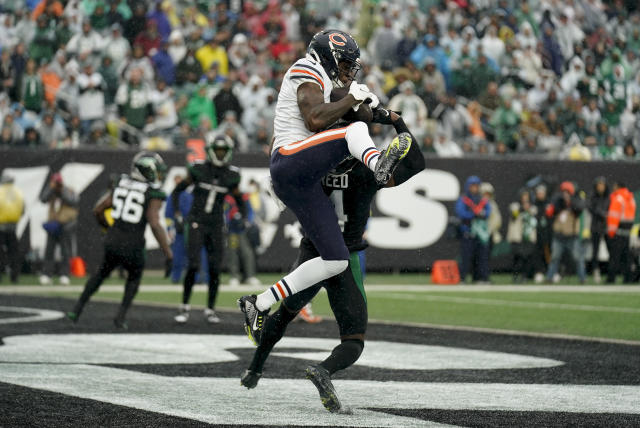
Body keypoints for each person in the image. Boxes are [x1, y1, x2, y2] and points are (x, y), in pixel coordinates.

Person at [240, 110, 425, 413]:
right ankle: (324, 369)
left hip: (313, 251)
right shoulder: (368, 171)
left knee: (284, 316)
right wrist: (396, 121)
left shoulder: (312, 168)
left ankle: (255, 368)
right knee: (354, 340)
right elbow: (417, 163)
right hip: (346, 255)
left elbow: (282, 160)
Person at [238, 29, 411, 345]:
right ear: (327, 56)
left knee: (336, 259)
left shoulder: (329, 81)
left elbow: (356, 110)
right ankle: (379, 165)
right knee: (353, 132)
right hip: (290, 160)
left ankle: (259, 302)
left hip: (302, 179)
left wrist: (374, 107)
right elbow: (316, 119)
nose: (347, 70)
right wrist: (353, 98)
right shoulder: (306, 69)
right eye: (344, 63)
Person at [67, 152, 172, 329]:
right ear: (146, 170)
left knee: (100, 275)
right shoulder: (153, 192)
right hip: (133, 242)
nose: (158, 175)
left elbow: (98, 211)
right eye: (155, 171)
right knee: (133, 278)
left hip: (113, 239)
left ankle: (77, 309)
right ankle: (120, 317)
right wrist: (168, 253)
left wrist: (107, 229)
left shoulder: (120, 183)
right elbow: (154, 223)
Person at [171, 134, 240, 324]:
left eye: (223, 151)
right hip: (196, 221)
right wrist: (177, 214)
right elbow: (177, 191)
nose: (220, 154)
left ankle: (210, 309)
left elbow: (239, 198)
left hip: (216, 224)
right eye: (217, 150)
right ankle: (184, 306)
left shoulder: (232, 175)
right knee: (193, 265)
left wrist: (240, 216)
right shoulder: (198, 169)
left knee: (215, 268)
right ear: (210, 151)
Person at [39, 172, 78, 286]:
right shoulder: (51, 192)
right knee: (49, 251)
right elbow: (42, 199)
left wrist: (61, 191)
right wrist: (51, 189)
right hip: (53, 225)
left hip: (65, 225)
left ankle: (64, 275)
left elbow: (73, 201)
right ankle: (47, 274)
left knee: (65, 251)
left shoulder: (67, 190)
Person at [545, 181, 586, 283]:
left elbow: (580, 209)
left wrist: (570, 202)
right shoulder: (558, 202)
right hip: (559, 236)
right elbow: (550, 213)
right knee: (555, 257)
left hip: (572, 236)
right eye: (564, 192)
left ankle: (582, 278)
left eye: (567, 192)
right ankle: (549, 278)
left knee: (577, 258)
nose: (565, 195)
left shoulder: (576, 202)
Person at [455, 176, 491, 283]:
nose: (475, 189)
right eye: (472, 186)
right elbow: (460, 212)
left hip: (480, 233)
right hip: (468, 231)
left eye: (476, 186)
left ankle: (480, 278)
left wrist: (481, 214)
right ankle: (463, 278)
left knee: (481, 257)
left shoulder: (482, 200)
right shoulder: (464, 199)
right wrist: (472, 215)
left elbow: (488, 211)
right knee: (466, 257)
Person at [223, 191, 260, 287]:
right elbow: (225, 213)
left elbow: (250, 211)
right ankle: (234, 277)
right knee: (233, 253)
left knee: (247, 253)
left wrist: (248, 222)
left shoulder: (244, 196)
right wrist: (227, 224)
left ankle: (250, 276)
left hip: (243, 231)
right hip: (232, 231)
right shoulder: (228, 197)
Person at [606, 181, 636, 284]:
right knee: (626, 257)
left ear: (617, 187)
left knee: (614, 257)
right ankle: (628, 278)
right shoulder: (631, 199)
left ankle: (611, 278)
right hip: (627, 232)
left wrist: (611, 232)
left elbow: (613, 217)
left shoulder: (618, 199)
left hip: (618, 232)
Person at [506, 190, 537, 282]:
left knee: (527, 258)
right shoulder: (515, 206)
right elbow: (514, 215)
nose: (525, 199)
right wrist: (521, 209)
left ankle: (524, 276)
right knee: (517, 257)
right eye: (523, 196)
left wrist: (528, 209)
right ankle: (515, 276)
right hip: (517, 237)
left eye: (527, 197)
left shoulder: (533, 208)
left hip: (528, 237)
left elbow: (534, 216)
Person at [0, 174, 24, 283]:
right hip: (13, 227)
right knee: (14, 252)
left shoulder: (0, 191)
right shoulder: (18, 192)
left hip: (1, 226)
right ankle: (14, 277)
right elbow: (23, 209)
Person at [589, 176, 609, 282]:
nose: (601, 187)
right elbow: (591, 208)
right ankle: (596, 271)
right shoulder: (593, 197)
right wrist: (601, 213)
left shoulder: (608, 197)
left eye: (602, 185)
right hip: (596, 226)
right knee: (595, 251)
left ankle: (611, 273)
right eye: (599, 185)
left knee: (612, 250)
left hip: (607, 227)